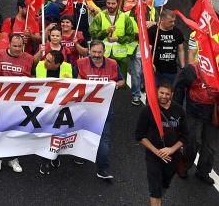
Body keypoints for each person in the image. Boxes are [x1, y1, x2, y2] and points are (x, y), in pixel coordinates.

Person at [75, 39, 125, 181]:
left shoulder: (113, 64)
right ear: (89, 51)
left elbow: (122, 81)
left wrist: (116, 84)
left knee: (104, 140)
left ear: (104, 52)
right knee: (81, 133)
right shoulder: (80, 63)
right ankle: (81, 155)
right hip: (84, 108)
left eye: (100, 52)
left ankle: (102, 169)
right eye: (94, 52)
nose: (96, 55)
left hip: (105, 108)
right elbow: (75, 83)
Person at [136, 82, 188, 206]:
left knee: (164, 184)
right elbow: (139, 136)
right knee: (155, 189)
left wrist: (171, 150)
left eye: (167, 94)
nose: (164, 96)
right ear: (157, 92)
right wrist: (158, 152)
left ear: (172, 95)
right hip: (153, 155)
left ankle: (157, 200)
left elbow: (185, 136)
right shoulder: (147, 110)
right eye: (161, 93)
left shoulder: (179, 110)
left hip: (172, 156)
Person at [0, 34, 33, 173]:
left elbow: (33, 78)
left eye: (20, 46)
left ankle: (13, 158)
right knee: (0, 130)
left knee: (16, 131)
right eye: (14, 46)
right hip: (0, 100)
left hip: (19, 102)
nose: (17, 49)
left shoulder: (29, 59)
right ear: (9, 44)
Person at [174, 60, 219, 185]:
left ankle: (203, 171)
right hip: (194, 112)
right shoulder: (192, 69)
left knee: (210, 146)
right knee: (192, 143)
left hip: (214, 115)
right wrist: (177, 110)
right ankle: (184, 165)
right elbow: (179, 87)